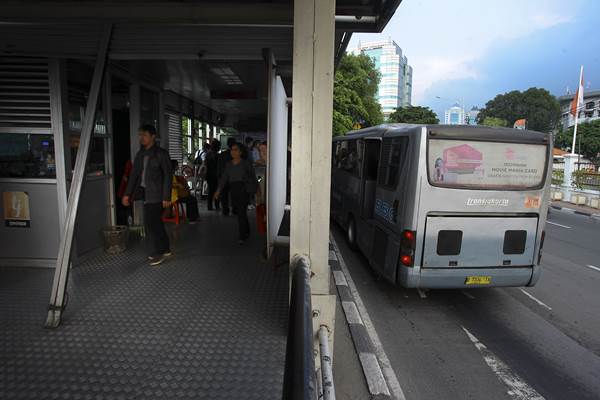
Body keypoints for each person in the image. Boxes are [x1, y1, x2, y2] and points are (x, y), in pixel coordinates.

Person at [122, 125, 172, 266]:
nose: (141, 138)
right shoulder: (140, 154)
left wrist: (166, 197)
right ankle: (166, 248)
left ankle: (159, 253)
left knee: (151, 224)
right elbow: (134, 175)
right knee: (156, 222)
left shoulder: (161, 154)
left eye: (144, 135)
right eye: (140, 135)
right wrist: (127, 194)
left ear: (153, 136)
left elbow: (168, 176)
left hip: (157, 194)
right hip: (144, 192)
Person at [214, 142, 258, 244]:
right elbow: (224, 178)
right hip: (233, 190)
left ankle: (242, 236)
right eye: (232, 150)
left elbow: (253, 178)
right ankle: (246, 230)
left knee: (241, 212)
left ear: (240, 152)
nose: (232, 152)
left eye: (235, 150)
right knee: (240, 212)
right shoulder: (228, 164)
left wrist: (257, 193)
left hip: (244, 190)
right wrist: (218, 191)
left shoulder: (246, 163)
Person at [217, 137, 236, 216]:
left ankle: (225, 210)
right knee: (234, 194)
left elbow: (219, 167)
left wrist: (219, 177)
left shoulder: (222, 154)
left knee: (224, 194)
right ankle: (235, 210)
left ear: (227, 144)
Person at [205, 139, 220, 211]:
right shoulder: (217, 155)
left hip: (209, 174)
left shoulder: (208, 154)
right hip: (216, 175)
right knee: (217, 190)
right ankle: (216, 205)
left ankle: (209, 206)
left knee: (210, 191)